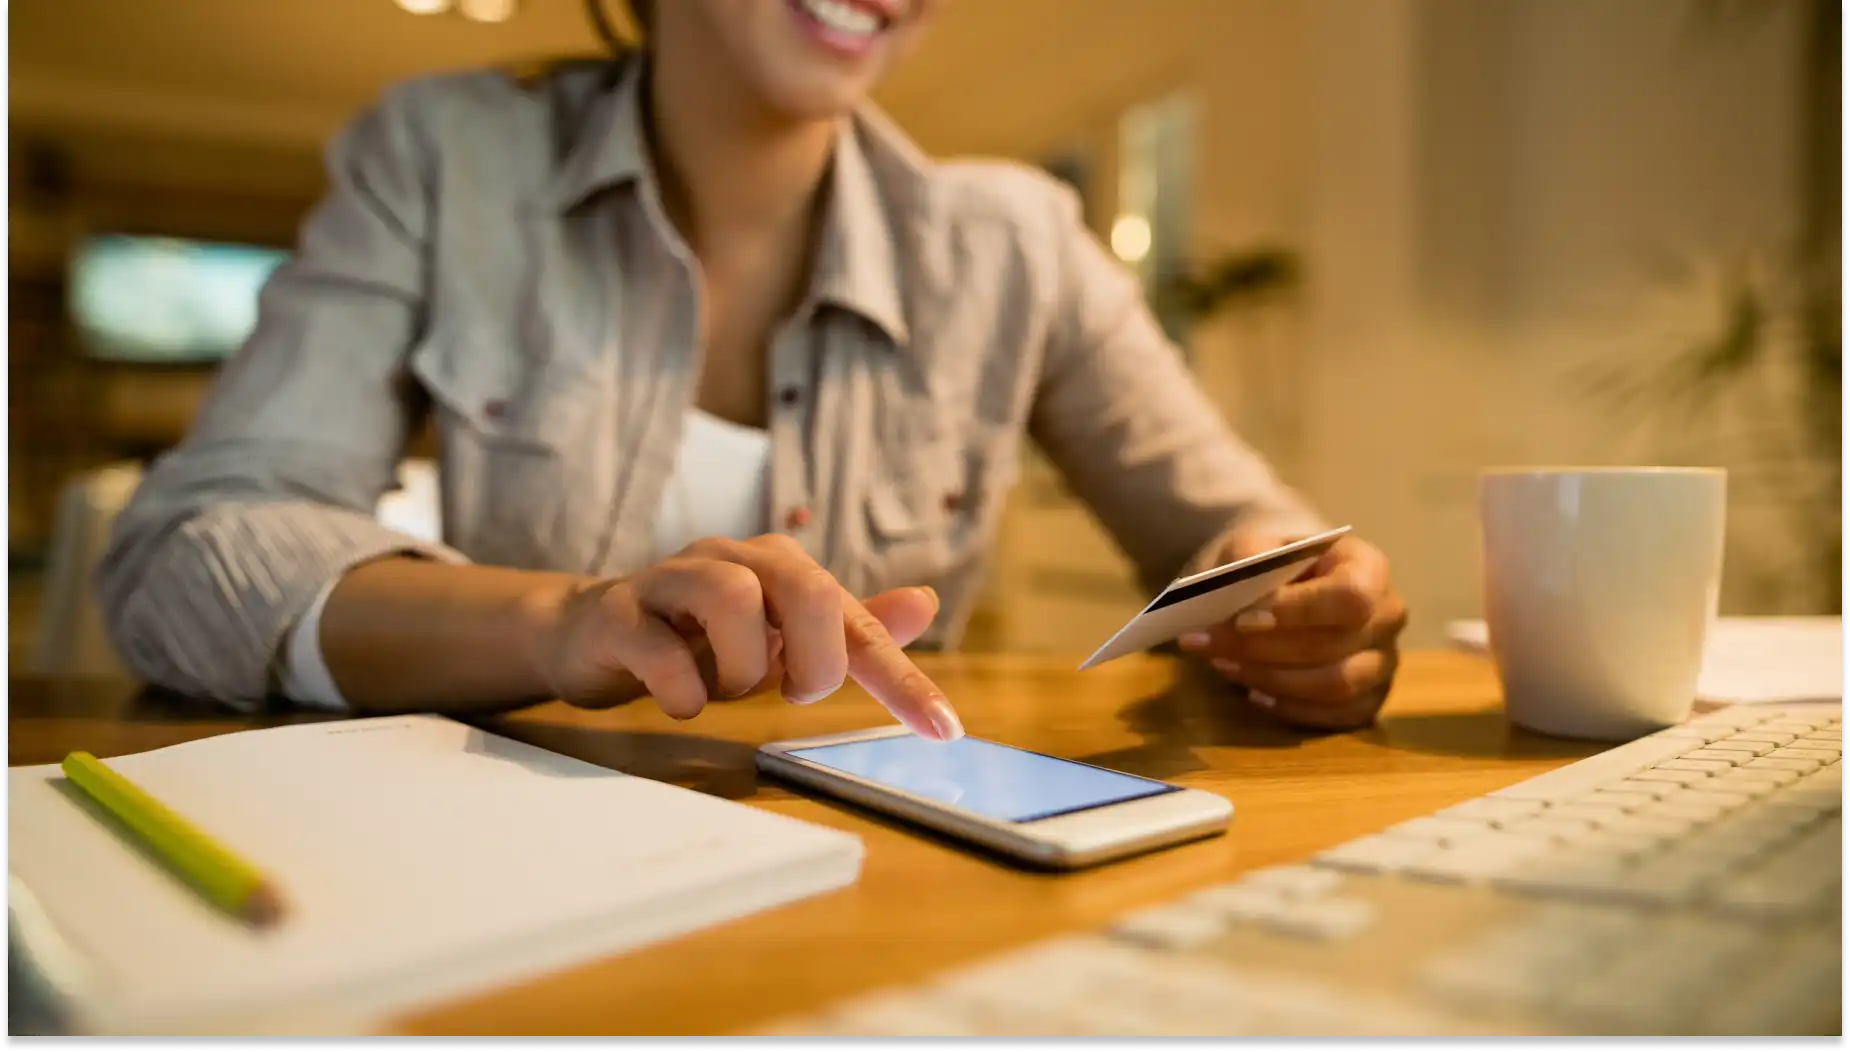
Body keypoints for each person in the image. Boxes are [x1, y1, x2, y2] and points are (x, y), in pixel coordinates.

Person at [96, 0, 1407, 742]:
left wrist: (1299, 597)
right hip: (513, 845)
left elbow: (1233, 529)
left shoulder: (1014, 239)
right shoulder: (445, 161)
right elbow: (186, 552)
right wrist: (562, 621)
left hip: (886, 873)